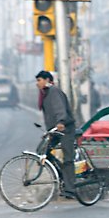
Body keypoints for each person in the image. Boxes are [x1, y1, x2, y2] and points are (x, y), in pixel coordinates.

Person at [35, 70, 77, 200]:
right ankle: (62, 175)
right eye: (37, 81)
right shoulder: (45, 94)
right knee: (42, 151)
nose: (37, 83)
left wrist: (61, 121)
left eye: (39, 80)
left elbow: (60, 109)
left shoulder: (53, 92)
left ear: (47, 80)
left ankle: (70, 189)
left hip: (66, 129)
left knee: (68, 158)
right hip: (55, 130)